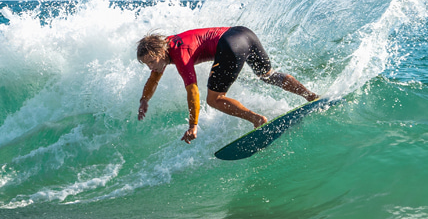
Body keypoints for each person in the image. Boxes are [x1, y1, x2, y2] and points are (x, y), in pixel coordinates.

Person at [136, 26, 318, 143]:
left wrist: (193, 125)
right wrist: (145, 99)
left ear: (160, 52)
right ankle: (310, 96)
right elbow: (154, 78)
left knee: (214, 99)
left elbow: (193, 92)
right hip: (244, 34)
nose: (151, 67)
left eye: (152, 61)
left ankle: (257, 119)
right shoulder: (166, 46)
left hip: (229, 45)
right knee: (267, 75)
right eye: (147, 64)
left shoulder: (180, 55)